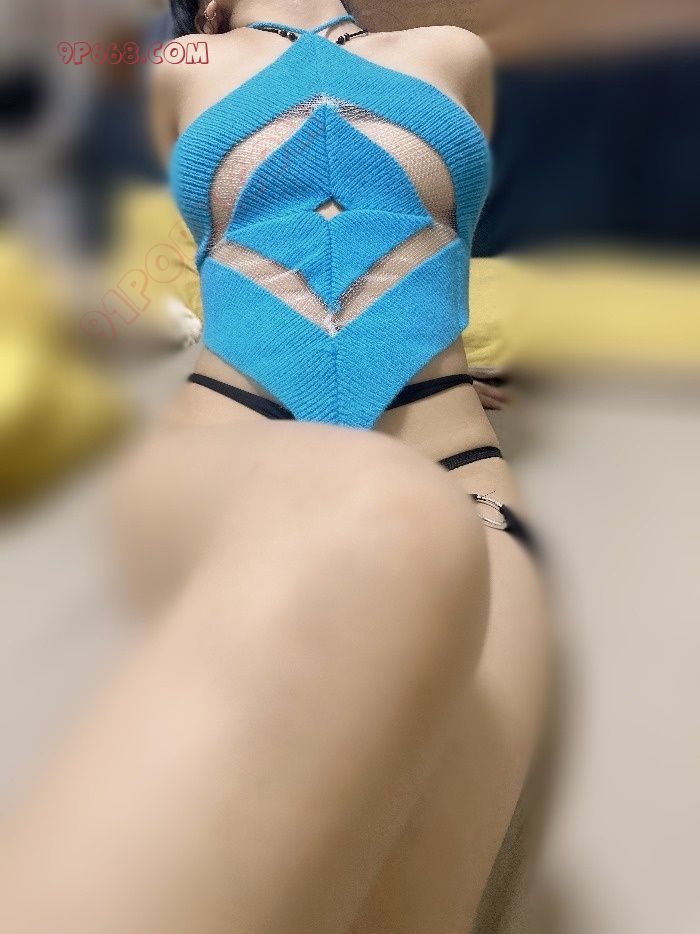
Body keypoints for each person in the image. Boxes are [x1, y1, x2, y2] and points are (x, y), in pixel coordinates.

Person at [0, 3, 550, 931]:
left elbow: (445, 240)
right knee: (388, 515)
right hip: (220, 441)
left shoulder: (455, 52)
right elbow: (207, 234)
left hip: (455, 458)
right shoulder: (181, 57)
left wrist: (416, 339)